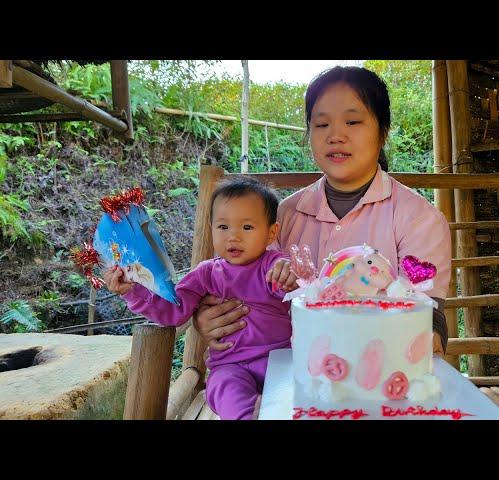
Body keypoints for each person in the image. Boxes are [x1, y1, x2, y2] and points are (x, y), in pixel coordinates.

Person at [193, 65, 452, 368]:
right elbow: (234, 285)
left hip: (381, 379)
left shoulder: (419, 219)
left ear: (382, 132)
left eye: (353, 121)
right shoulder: (281, 218)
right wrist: (207, 317)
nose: (336, 136)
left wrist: (428, 338)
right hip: (285, 375)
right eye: (321, 125)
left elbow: (428, 315)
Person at [102, 177, 298, 420]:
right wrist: (134, 290)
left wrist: (291, 274)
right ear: (211, 227)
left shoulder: (274, 264)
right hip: (230, 367)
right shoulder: (206, 273)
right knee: (226, 392)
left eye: (247, 227)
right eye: (223, 227)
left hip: (279, 360)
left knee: (296, 396)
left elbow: (296, 287)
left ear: (271, 233)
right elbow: (173, 311)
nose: (233, 237)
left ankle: (269, 409)